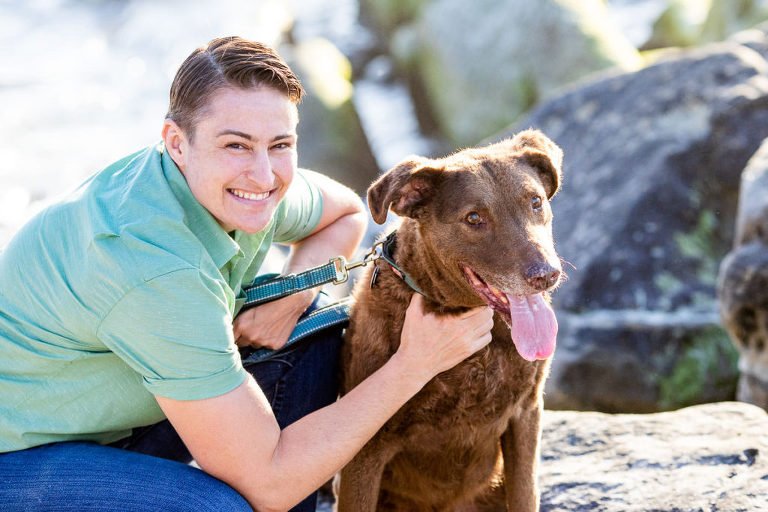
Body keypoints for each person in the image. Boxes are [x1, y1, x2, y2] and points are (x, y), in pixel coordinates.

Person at [0, 36, 494, 512]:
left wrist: (290, 300)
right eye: (236, 145)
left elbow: (346, 214)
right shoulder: (151, 267)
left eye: (280, 144)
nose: (264, 175)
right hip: (21, 455)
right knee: (217, 508)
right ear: (177, 142)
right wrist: (415, 363)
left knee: (313, 326)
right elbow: (268, 487)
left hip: (125, 408)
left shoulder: (242, 187)